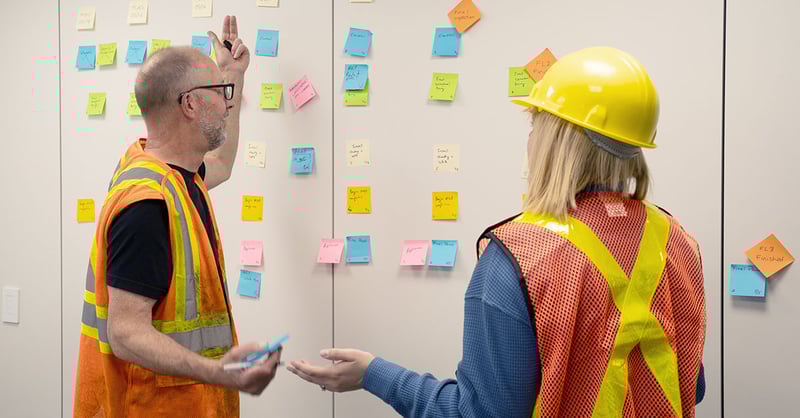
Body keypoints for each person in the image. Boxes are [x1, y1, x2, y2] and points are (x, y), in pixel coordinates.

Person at [288, 46, 707, 417]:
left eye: (535, 125)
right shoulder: (677, 241)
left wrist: (374, 374)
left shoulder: (517, 259)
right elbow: (691, 383)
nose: (530, 141)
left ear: (556, 139)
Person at [73, 16, 281, 418]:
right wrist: (219, 372)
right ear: (190, 103)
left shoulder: (175, 173)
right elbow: (126, 332)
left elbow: (222, 161)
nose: (228, 101)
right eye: (220, 92)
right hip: (151, 408)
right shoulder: (146, 204)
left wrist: (233, 74)